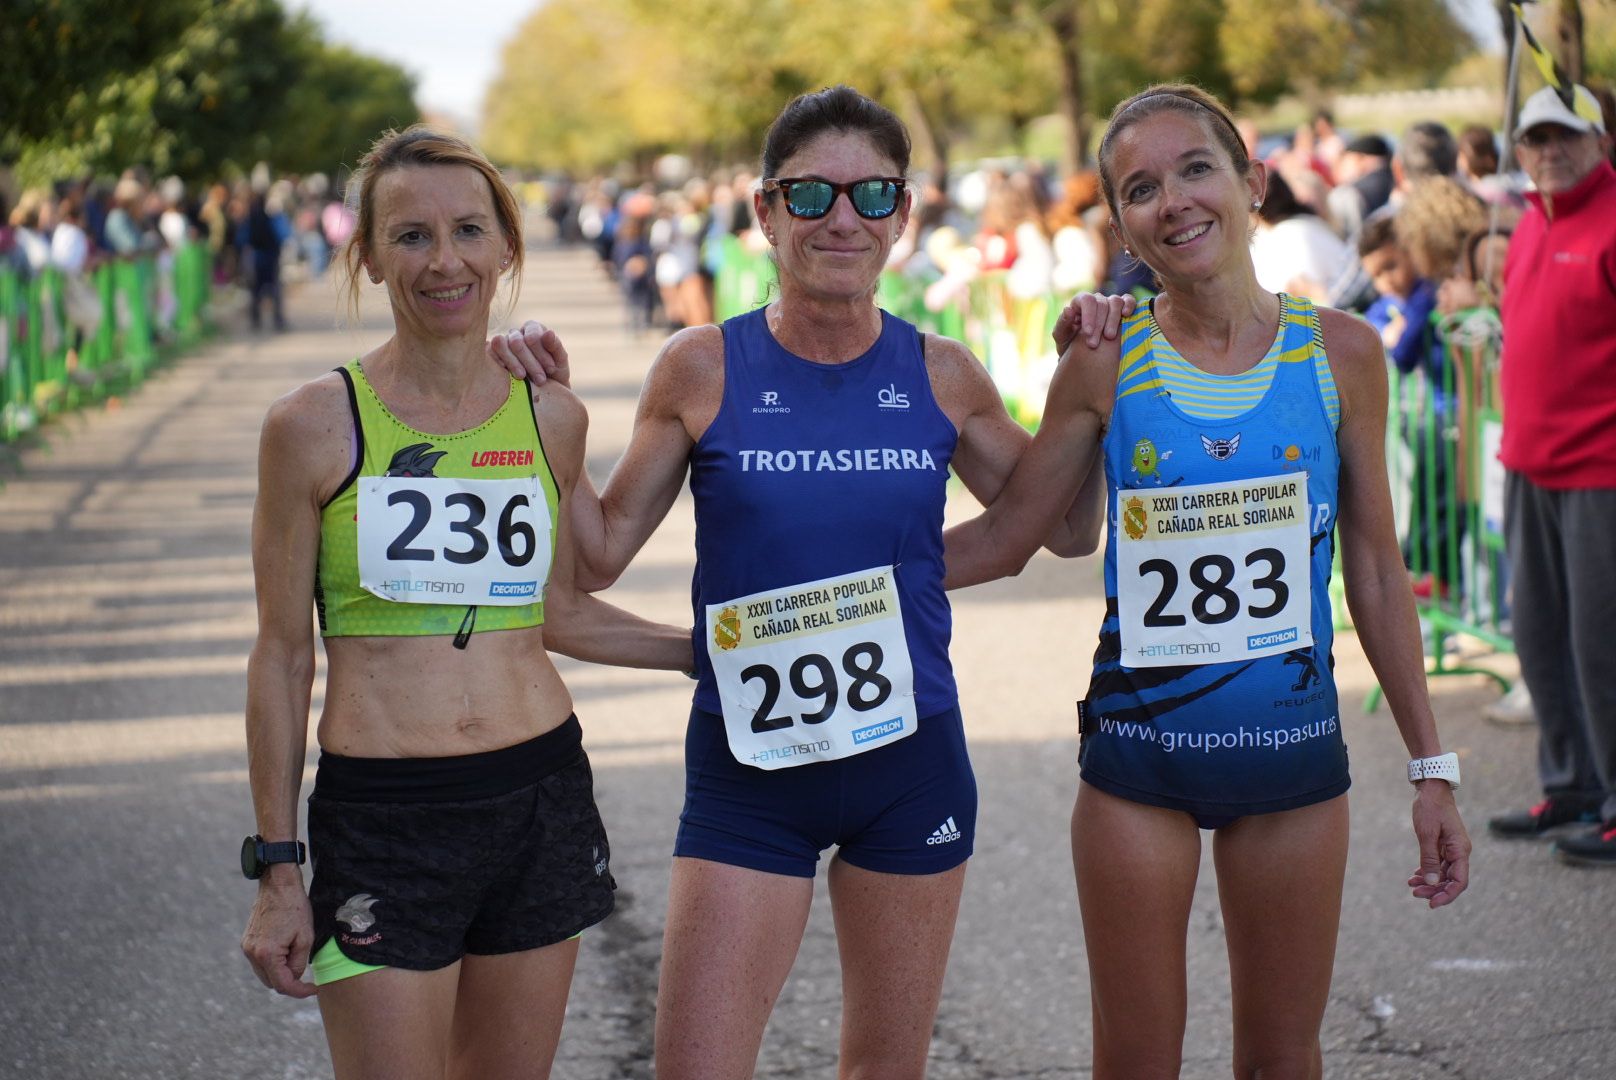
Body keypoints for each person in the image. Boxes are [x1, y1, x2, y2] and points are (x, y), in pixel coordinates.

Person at [491, 85, 1104, 1080]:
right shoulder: (699, 368)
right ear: (765, 212)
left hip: (912, 767)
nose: (842, 219)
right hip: (749, 775)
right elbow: (596, 554)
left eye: (872, 195)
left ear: (904, 216)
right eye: (810, 194)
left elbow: (1057, 532)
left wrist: (1088, 389)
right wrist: (543, 420)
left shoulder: (942, 372)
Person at [945, 84, 1470, 1078]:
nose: (1172, 200)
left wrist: (1429, 766)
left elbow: (1371, 566)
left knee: (1282, 1059)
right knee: (1136, 1062)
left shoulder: (1345, 355)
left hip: (1291, 765)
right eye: (1139, 187)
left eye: (1195, 168)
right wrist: (822, 586)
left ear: (1253, 183)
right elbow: (1011, 538)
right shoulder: (1103, 360)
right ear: (1121, 224)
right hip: (1141, 766)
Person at [239, 125, 691, 1080]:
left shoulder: (550, 414)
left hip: (540, 796)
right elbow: (283, 656)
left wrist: (706, 653)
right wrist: (280, 870)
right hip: (387, 812)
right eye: (410, 236)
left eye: (469, 232)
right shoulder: (312, 426)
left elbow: (558, 614)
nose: (444, 261)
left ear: (506, 248)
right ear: (365, 254)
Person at [1483, 83, 1616, 866]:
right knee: (1540, 638)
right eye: (1534, 139)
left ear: (1601, 142)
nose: (1548, 152)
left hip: (1600, 470)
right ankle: (1571, 786)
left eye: (1565, 136)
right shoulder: (1533, 218)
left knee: (1602, 646)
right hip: (1530, 464)